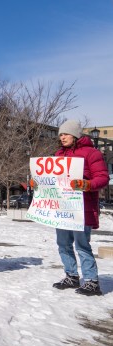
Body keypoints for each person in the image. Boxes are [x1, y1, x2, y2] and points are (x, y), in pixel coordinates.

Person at [51, 120, 109, 296]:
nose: (62, 137)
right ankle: (71, 275)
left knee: (82, 245)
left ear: (75, 135)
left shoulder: (91, 153)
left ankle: (91, 281)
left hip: (82, 208)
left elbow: (103, 178)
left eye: (66, 134)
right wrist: (38, 184)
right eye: (61, 134)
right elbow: (51, 179)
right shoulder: (58, 154)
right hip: (62, 208)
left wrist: (86, 184)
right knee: (63, 244)